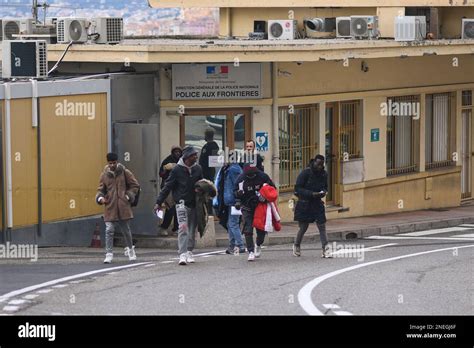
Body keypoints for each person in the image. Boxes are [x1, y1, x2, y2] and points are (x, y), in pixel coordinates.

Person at [154, 146, 203, 265]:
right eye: (193, 155)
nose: (196, 157)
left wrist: (202, 191)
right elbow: (168, 186)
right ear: (186, 157)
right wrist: (158, 202)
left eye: (196, 155)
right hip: (181, 203)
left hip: (194, 204)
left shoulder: (198, 168)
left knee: (192, 229)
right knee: (183, 227)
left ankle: (190, 251)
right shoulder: (177, 170)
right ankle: (182, 253)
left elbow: (202, 183)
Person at [96, 152, 140, 264]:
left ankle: (130, 250)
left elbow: (135, 185)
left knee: (126, 230)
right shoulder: (104, 174)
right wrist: (100, 198)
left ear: (117, 161)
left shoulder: (125, 172)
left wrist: (128, 195)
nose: (112, 165)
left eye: (114, 163)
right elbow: (100, 189)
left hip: (123, 205)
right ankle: (109, 254)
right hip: (110, 206)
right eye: (110, 163)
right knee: (109, 230)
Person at [293, 154, 332, 258]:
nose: (319, 166)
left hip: (317, 203)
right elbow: (298, 189)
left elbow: (325, 187)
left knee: (322, 226)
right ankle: (297, 245)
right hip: (304, 203)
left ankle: (326, 249)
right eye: (318, 164)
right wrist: (311, 193)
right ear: (314, 162)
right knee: (303, 227)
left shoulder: (324, 174)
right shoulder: (306, 173)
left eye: (321, 165)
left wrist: (323, 192)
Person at [234, 165, 275, 261]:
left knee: (261, 229)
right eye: (249, 175)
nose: (251, 176)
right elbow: (235, 191)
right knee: (248, 229)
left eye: (253, 174)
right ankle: (251, 251)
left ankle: (258, 244)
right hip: (247, 206)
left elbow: (272, 189)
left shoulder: (263, 177)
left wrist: (265, 197)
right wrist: (237, 198)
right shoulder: (240, 179)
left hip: (260, 206)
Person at [214, 155, 246, 255]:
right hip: (230, 200)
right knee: (230, 223)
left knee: (233, 223)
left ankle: (240, 245)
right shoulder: (229, 169)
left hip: (233, 200)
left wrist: (237, 200)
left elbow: (238, 186)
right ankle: (232, 245)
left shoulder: (234, 169)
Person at [158, 145, 182, 236]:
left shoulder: (182, 161)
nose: (177, 153)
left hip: (179, 187)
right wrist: (165, 169)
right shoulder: (167, 160)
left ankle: (176, 228)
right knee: (170, 208)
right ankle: (164, 227)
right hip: (168, 187)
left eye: (179, 152)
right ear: (172, 152)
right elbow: (161, 174)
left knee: (178, 208)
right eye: (175, 152)